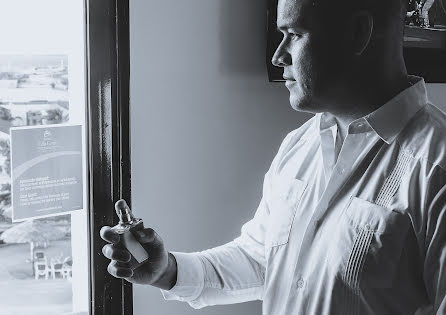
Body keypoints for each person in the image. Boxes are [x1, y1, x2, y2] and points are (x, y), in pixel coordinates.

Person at [100, 0, 446, 313]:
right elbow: (263, 259)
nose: (278, 55)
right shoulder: (300, 144)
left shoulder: (436, 167)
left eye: (293, 34)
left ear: (358, 34)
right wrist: (168, 270)